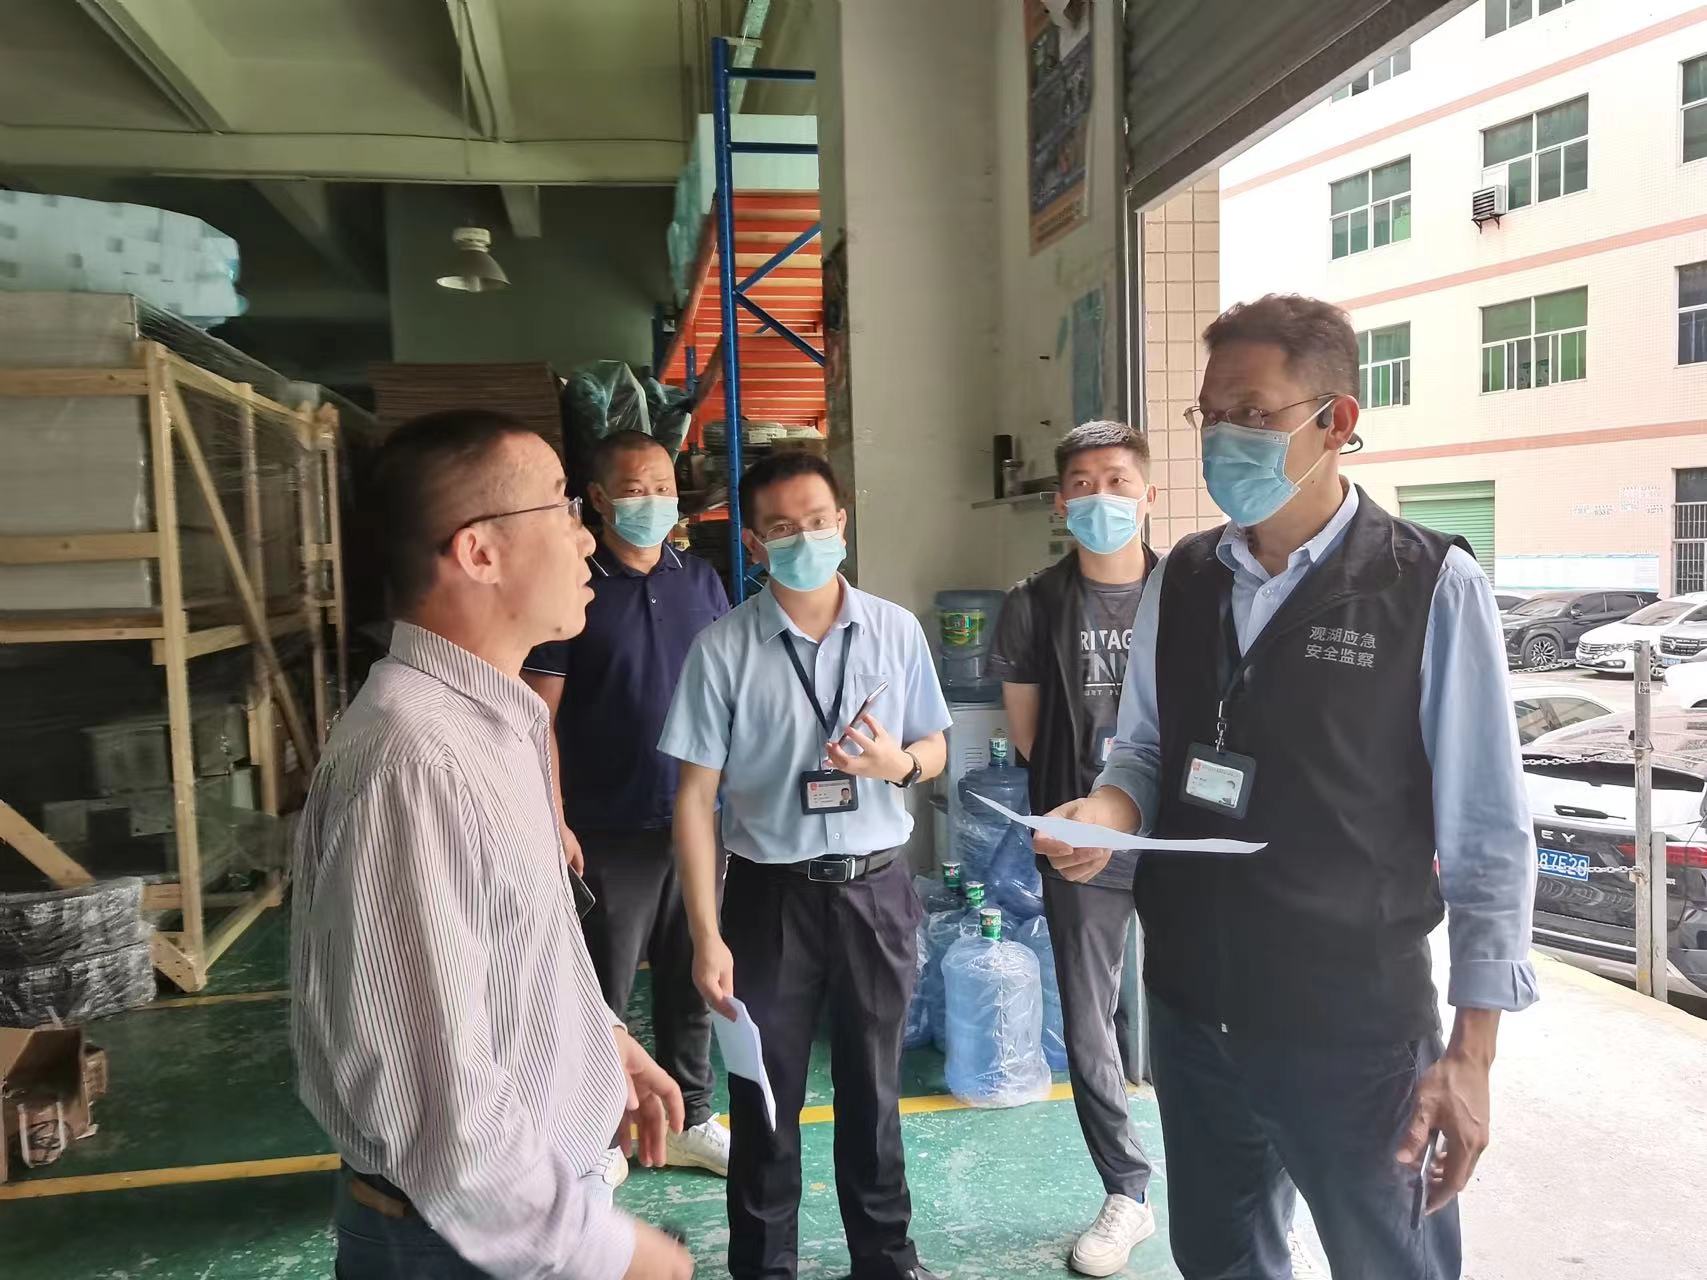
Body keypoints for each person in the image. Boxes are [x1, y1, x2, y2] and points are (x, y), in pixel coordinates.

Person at [1035, 294, 1538, 1280]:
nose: (1223, 437)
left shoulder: (1424, 583)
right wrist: (1107, 812)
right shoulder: (1182, 577)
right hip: (1194, 1013)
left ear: (1335, 421)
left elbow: (1486, 833)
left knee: (1390, 1263)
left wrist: (1472, 1053)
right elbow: (1144, 749)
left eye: (1253, 414)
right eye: (1209, 414)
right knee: (1221, 1260)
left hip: (1353, 1032)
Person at [291, 409, 695, 1280]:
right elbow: (434, 1099)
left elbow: (514, 947)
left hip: (513, 1210)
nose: (584, 538)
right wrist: (606, 1254)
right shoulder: (416, 762)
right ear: (479, 552)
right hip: (464, 1243)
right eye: (560, 506)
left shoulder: (496, 721)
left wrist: (599, 1038)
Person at [658, 451, 951, 1280]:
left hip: (876, 890)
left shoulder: (894, 630)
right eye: (782, 528)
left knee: (875, 1094)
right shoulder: (721, 649)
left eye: (817, 521)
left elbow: (933, 742)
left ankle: (886, 1262)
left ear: (841, 523)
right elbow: (694, 799)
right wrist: (705, 935)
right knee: (762, 1098)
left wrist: (900, 764)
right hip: (768, 899)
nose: (804, 538)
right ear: (754, 543)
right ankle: (762, 1268)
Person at [522, 430, 733, 1182]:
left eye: (663, 487)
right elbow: (538, 716)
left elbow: (730, 694)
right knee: (600, 986)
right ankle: (600, 1134)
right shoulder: (575, 587)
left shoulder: (700, 581)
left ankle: (692, 1117)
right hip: (607, 825)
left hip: (698, 821)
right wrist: (554, 816)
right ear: (599, 499)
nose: (653, 501)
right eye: (636, 489)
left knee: (695, 974)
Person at [987, 420, 1158, 1278]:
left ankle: (1226, 1169)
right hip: (1076, 836)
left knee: (1202, 1002)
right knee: (1090, 1016)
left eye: (1117, 481)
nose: (1101, 498)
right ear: (1060, 503)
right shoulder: (1034, 602)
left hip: (1175, 834)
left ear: (1147, 493)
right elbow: (1028, 737)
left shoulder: (1188, 592)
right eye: (1083, 484)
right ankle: (1126, 1189)